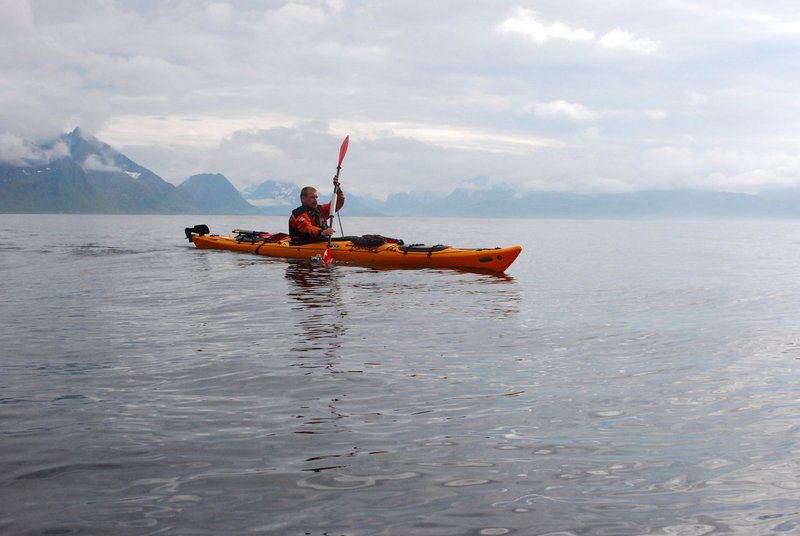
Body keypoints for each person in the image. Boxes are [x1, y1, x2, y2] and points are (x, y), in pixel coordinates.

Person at [288, 177, 345, 243]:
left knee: (351, 239)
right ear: (303, 198)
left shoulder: (320, 210)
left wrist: (337, 188)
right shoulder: (299, 214)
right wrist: (322, 232)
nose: (315, 200)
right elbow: (307, 228)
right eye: (312, 197)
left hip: (320, 241)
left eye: (316, 197)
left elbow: (336, 204)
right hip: (302, 243)